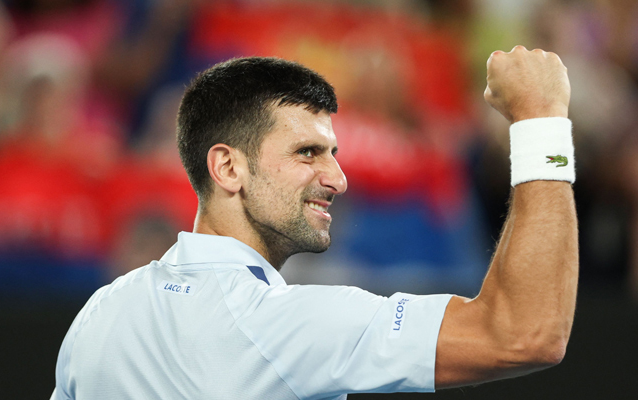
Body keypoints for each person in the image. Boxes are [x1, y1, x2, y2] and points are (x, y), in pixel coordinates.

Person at [51, 47, 578, 399]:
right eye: (308, 153)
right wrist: (541, 120)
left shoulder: (101, 315)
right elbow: (524, 332)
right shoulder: (288, 326)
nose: (339, 179)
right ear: (228, 167)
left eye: (333, 153)